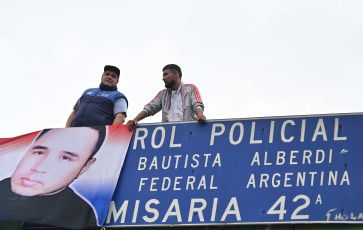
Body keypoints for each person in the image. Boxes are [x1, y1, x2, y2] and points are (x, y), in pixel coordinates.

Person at [0, 127, 106, 228]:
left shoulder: (81, 214)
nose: (39, 167)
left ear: (84, 167)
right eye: (39, 152)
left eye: (65, 158)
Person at [127, 64, 206, 131]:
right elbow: (149, 108)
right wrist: (135, 120)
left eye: (166, 74)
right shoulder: (162, 94)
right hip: (168, 136)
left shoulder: (191, 88)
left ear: (175, 74)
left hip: (188, 133)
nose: (163, 78)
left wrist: (200, 115)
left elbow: (197, 104)